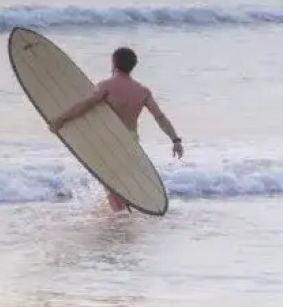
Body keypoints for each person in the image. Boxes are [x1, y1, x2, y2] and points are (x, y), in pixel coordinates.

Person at [48, 46, 184, 212]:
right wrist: (175, 139)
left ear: (114, 64)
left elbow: (84, 106)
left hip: (107, 139)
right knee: (122, 181)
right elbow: (159, 117)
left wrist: (60, 120)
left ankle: (119, 219)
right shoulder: (142, 91)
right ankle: (123, 214)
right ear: (133, 66)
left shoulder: (106, 86)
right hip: (131, 140)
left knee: (111, 183)